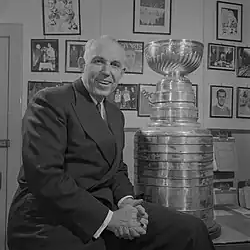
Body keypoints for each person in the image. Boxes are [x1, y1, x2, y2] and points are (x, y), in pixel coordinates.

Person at [7, 35, 215, 250]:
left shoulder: (115, 113)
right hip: (49, 217)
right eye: (99, 61)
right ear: (82, 65)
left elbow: (116, 169)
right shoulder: (50, 101)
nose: (107, 71)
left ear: (122, 73)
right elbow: (46, 177)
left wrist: (127, 202)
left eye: (115, 65)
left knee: (192, 230)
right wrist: (110, 220)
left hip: (107, 206)